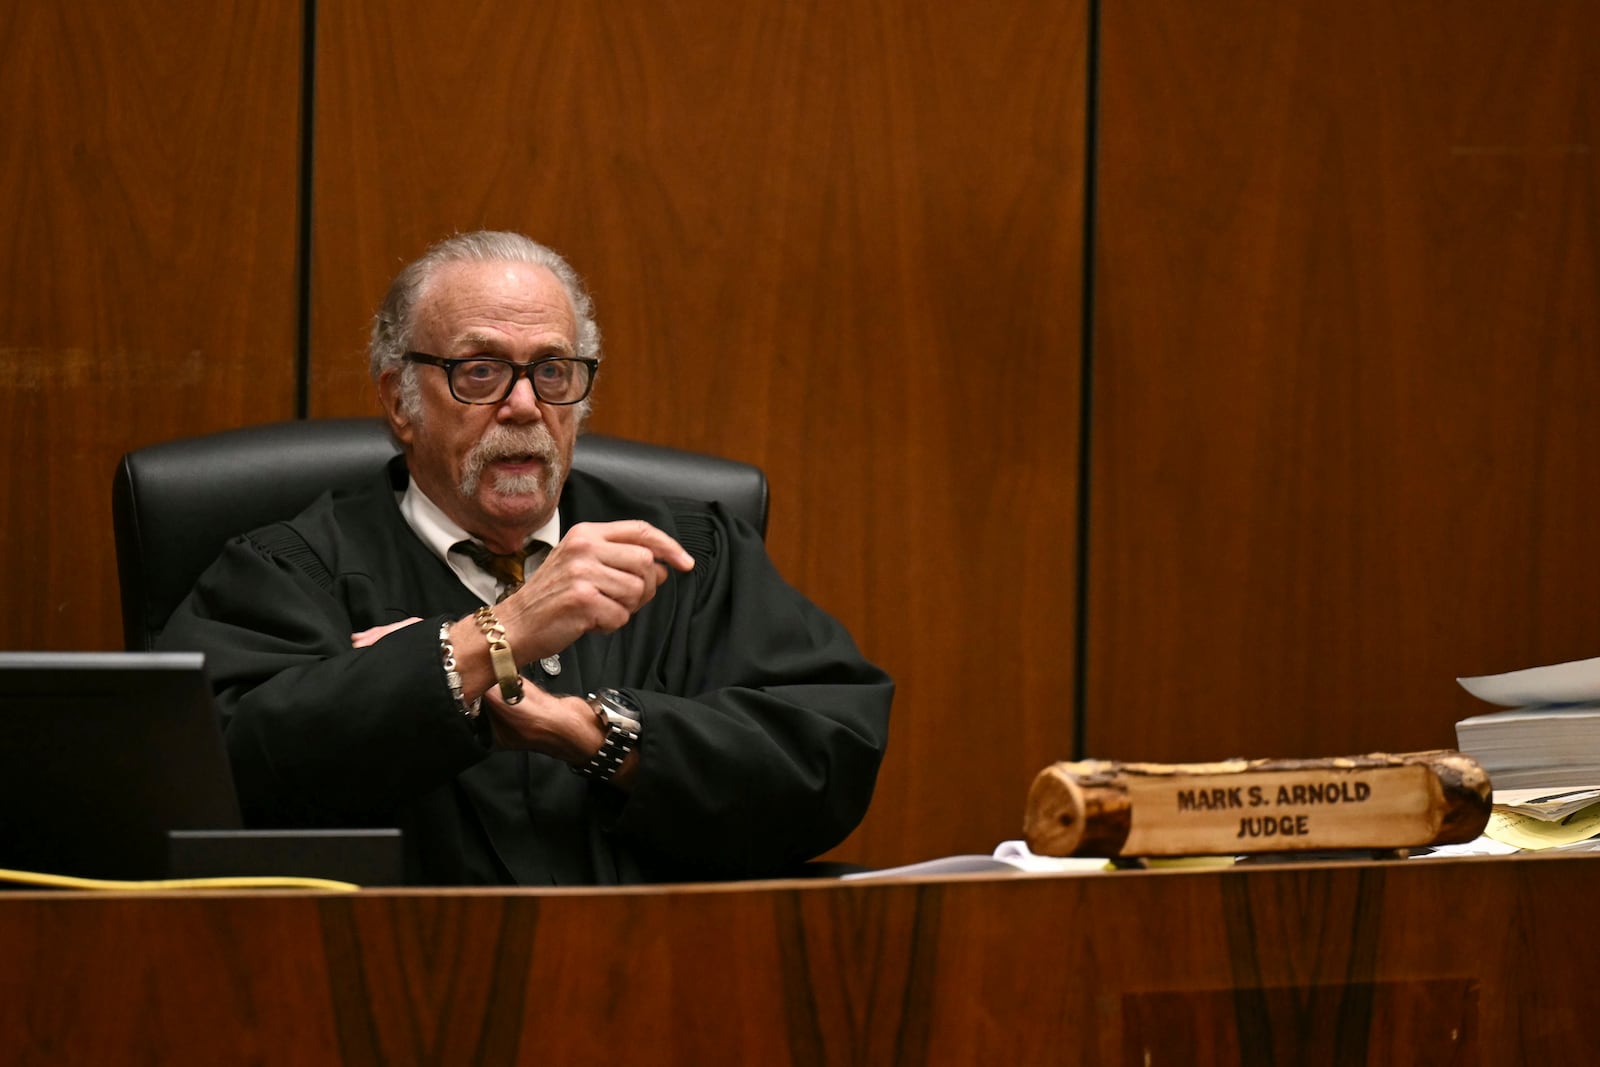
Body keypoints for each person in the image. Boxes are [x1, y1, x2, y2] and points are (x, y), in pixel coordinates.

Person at [159, 231, 892, 885]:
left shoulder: (686, 555)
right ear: (398, 402)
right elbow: (215, 773)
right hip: (399, 987)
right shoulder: (290, 569)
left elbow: (826, 758)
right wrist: (481, 642)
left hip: (663, 978)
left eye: (553, 371)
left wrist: (579, 730)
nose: (523, 405)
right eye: (479, 371)